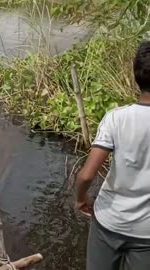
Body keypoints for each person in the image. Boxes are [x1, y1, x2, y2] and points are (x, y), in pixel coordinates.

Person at [75, 40, 150, 270]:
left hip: (109, 219)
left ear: (136, 75)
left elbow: (87, 175)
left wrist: (80, 198)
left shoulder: (116, 118)